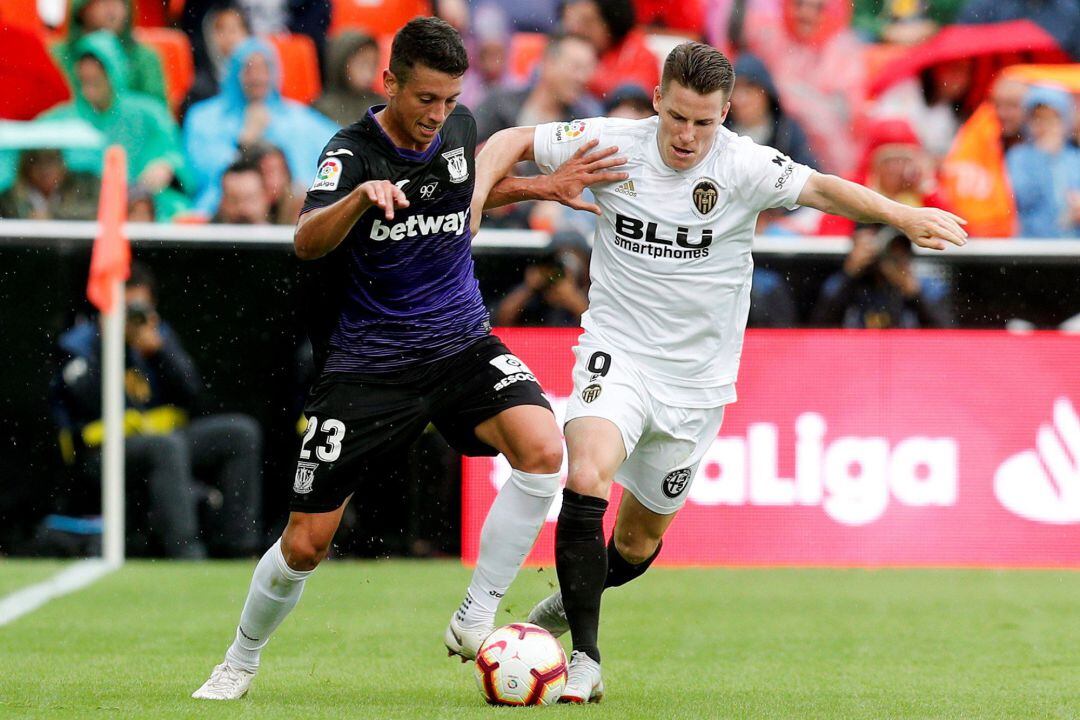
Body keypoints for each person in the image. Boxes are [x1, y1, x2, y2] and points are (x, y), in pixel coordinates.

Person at [471, 41, 966, 701]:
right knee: (585, 471)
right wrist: (475, 200)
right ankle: (586, 660)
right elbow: (511, 136)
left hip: (696, 384)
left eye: (703, 122)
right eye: (677, 117)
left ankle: (564, 607)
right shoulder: (614, 142)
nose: (686, 135)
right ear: (657, 101)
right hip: (616, 350)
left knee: (638, 546)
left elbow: (820, 188)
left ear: (726, 113)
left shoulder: (745, 165)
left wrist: (903, 214)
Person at [191, 17, 625, 701]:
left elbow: (461, 198)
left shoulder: (458, 130)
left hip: (461, 344)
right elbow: (305, 240)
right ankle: (240, 661)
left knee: (544, 451)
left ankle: (475, 616)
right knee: (306, 543)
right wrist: (361, 199)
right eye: (425, 99)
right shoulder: (351, 152)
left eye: (450, 101)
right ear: (388, 82)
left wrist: (539, 186)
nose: (438, 116)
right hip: (369, 368)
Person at [50, 264, 264, 559]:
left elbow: (194, 394)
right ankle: (186, 552)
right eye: (126, 307)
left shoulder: (156, 336)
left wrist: (161, 353)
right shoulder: (79, 344)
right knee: (167, 446)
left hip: (162, 441)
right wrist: (111, 341)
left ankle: (239, 547)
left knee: (240, 433)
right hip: (103, 452)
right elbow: (86, 399)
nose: (133, 316)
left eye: (141, 307)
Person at [39, 32, 192, 221]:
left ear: (114, 73)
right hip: (78, 206)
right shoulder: (61, 118)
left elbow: (176, 154)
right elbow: (33, 149)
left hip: (142, 204)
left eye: (97, 80)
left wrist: (167, 166)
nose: (90, 90)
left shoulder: (149, 113)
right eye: (84, 82)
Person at [183, 37, 338, 214]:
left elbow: (340, 153)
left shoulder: (298, 118)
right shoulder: (204, 117)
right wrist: (245, 141)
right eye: (249, 68)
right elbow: (201, 177)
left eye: (264, 68)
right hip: (227, 212)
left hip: (292, 213)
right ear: (235, 72)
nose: (257, 77)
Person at [745, 0, 867, 175]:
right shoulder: (769, 35)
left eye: (818, 8)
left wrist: (796, 101)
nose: (806, 14)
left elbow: (848, 116)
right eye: (799, 4)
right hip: (773, 139)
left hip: (825, 154)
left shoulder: (844, 49)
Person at [818, 118, 949, 236]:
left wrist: (928, 193)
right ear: (874, 164)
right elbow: (831, 237)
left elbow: (958, 236)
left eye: (905, 160)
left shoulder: (924, 191)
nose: (898, 169)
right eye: (890, 161)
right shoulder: (853, 188)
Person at [811, 226, 952, 327]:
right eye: (891, 251)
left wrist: (914, 294)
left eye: (900, 253)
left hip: (906, 357)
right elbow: (819, 326)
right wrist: (850, 273)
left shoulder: (921, 284)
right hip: (854, 357)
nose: (894, 258)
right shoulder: (849, 282)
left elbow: (948, 335)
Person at [474, 32, 601, 142]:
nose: (582, 77)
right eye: (576, 67)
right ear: (547, 62)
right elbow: (464, 144)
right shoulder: (499, 103)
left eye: (588, 70)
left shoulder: (581, 125)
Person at [53, 0, 168, 107]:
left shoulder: (145, 58)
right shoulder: (58, 55)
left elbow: (157, 112)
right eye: (102, 1)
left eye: (119, 1)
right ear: (82, 8)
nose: (112, 7)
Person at [1005, 85, 1080, 238]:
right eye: (1038, 118)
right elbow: (1022, 199)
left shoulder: (1074, 157)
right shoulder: (1018, 157)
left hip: (1071, 245)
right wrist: (1042, 157)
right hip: (1032, 244)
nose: (1045, 125)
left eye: (1052, 118)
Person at [724, 53, 818, 169]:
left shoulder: (787, 133)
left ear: (766, 93)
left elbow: (809, 177)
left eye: (749, 90)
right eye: (735, 90)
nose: (740, 99)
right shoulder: (720, 135)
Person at [562, 0, 660, 102]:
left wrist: (580, 75)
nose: (578, 29)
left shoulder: (640, 56)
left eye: (589, 22)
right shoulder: (573, 43)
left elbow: (633, 97)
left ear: (610, 24)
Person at [493, 231, 592, 327]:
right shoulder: (537, 291)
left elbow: (598, 328)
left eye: (574, 259)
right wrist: (529, 288)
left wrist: (573, 299)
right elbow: (501, 321)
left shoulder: (594, 292)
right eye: (559, 260)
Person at [182, 1, 253, 114]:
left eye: (234, 30)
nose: (228, 37)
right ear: (209, 35)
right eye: (220, 30)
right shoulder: (200, 88)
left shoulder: (259, 82)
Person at [957, 0, 1080, 61]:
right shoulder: (984, 7)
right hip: (991, 88)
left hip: (1053, 91)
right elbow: (959, 51)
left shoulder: (1070, 12)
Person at [0, 148, 99, 220]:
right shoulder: (10, 198)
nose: (44, 169)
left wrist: (53, 216)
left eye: (50, 160)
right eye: (36, 161)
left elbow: (97, 212)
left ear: (63, 165)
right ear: (26, 168)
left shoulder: (83, 188)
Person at [314, 32, 385, 127]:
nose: (368, 72)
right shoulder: (322, 109)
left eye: (373, 64)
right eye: (362, 64)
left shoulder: (381, 105)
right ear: (341, 63)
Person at [212, 158, 272, 224]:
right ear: (222, 201)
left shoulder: (283, 232)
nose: (243, 209)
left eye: (250, 199)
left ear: (266, 198)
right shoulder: (204, 232)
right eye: (234, 200)